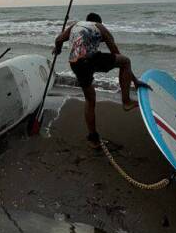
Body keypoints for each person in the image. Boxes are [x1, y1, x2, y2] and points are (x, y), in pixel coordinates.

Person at [53, 12, 148, 144]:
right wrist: (135, 80)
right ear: (99, 22)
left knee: (90, 100)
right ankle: (126, 101)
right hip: (90, 60)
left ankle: (93, 138)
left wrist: (58, 50)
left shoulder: (76, 24)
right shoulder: (100, 27)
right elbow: (117, 55)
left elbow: (58, 40)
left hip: (75, 63)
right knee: (125, 61)